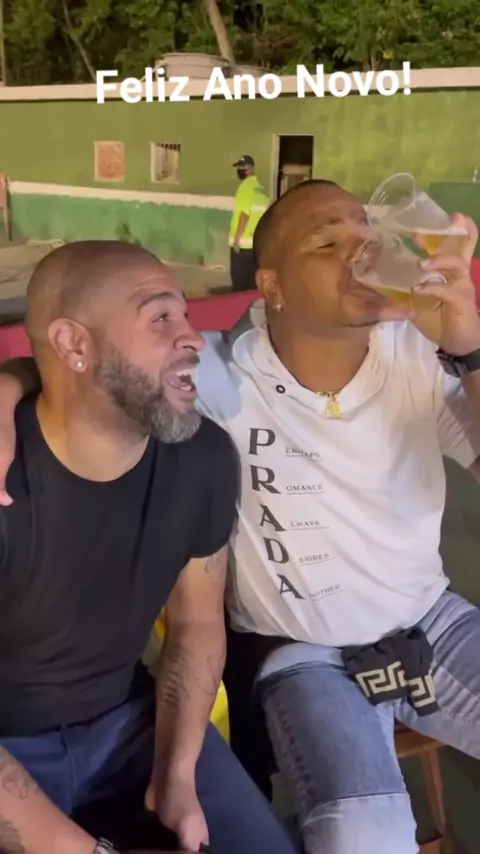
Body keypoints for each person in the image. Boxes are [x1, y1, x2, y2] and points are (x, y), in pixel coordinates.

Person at [2, 184, 480, 854]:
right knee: (366, 837)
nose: (361, 251)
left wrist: (469, 346)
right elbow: (94, 371)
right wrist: (10, 386)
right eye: (328, 241)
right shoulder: (221, 374)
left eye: (366, 233)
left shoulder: (420, 354)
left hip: (431, 620)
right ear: (271, 286)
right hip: (304, 652)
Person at [0, 241, 299, 854]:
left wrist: (176, 774)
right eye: (160, 317)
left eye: (185, 314)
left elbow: (195, 623)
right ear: (74, 344)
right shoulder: (5, 476)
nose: (192, 338)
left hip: (130, 727)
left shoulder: (204, 460)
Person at [229, 155, 270, 292]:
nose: (240, 170)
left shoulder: (245, 187)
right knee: (252, 285)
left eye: (243, 167)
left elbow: (244, 214)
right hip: (256, 246)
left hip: (243, 246)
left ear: (251, 168)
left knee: (239, 286)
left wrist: (237, 239)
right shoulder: (262, 191)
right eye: (239, 167)